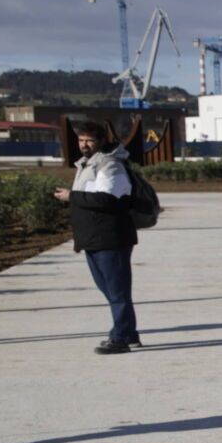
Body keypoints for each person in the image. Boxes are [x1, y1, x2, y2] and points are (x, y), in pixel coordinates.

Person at [54, 122, 142, 355]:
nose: (84, 144)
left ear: (102, 141)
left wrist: (72, 196)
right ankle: (129, 334)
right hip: (94, 238)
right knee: (111, 290)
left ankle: (120, 338)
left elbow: (108, 199)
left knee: (117, 291)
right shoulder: (87, 164)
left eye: (89, 140)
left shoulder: (110, 164)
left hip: (111, 238)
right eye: (81, 140)